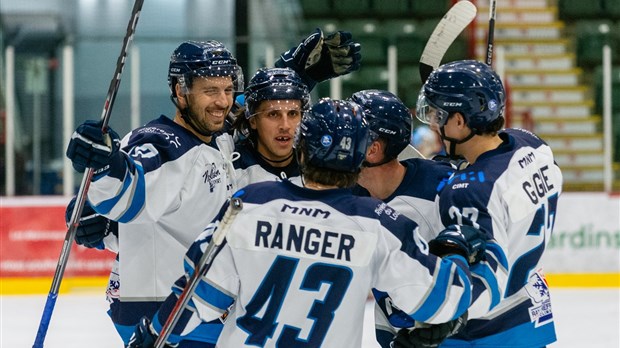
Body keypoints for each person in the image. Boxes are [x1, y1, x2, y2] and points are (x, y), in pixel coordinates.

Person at [65, 30, 363, 346]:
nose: (222, 101)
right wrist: (104, 169)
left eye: (227, 89)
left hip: (187, 314)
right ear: (180, 91)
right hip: (165, 318)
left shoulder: (217, 139)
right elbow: (130, 185)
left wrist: (296, 75)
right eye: (210, 90)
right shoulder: (162, 144)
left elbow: (246, 111)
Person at [126, 98, 487, 347]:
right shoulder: (377, 223)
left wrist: (156, 331)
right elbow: (442, 301)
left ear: (302, 150)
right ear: (361, 155)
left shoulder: (250, 204)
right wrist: (455, 252)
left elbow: (196, 296)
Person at [411, 60, 562, 347]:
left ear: (459, 121)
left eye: (438, 115)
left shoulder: (467, 192)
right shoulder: (533, 144)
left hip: (481, 332)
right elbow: (500, 172)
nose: (433, 124)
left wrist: (451, 317)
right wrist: (469, 165)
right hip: (529, 314)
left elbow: (486, 275)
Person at [349, 90, 460, 347]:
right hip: (396, 330)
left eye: (348, 134)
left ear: (373, 149)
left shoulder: (441, 188)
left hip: (455, 334)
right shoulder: (345, 197)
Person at [231, 67, 310, 187]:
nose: (285, 126)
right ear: (253, 120)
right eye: (273, 114)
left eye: (293, 114)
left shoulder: (317, 169)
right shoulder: (231, 172)